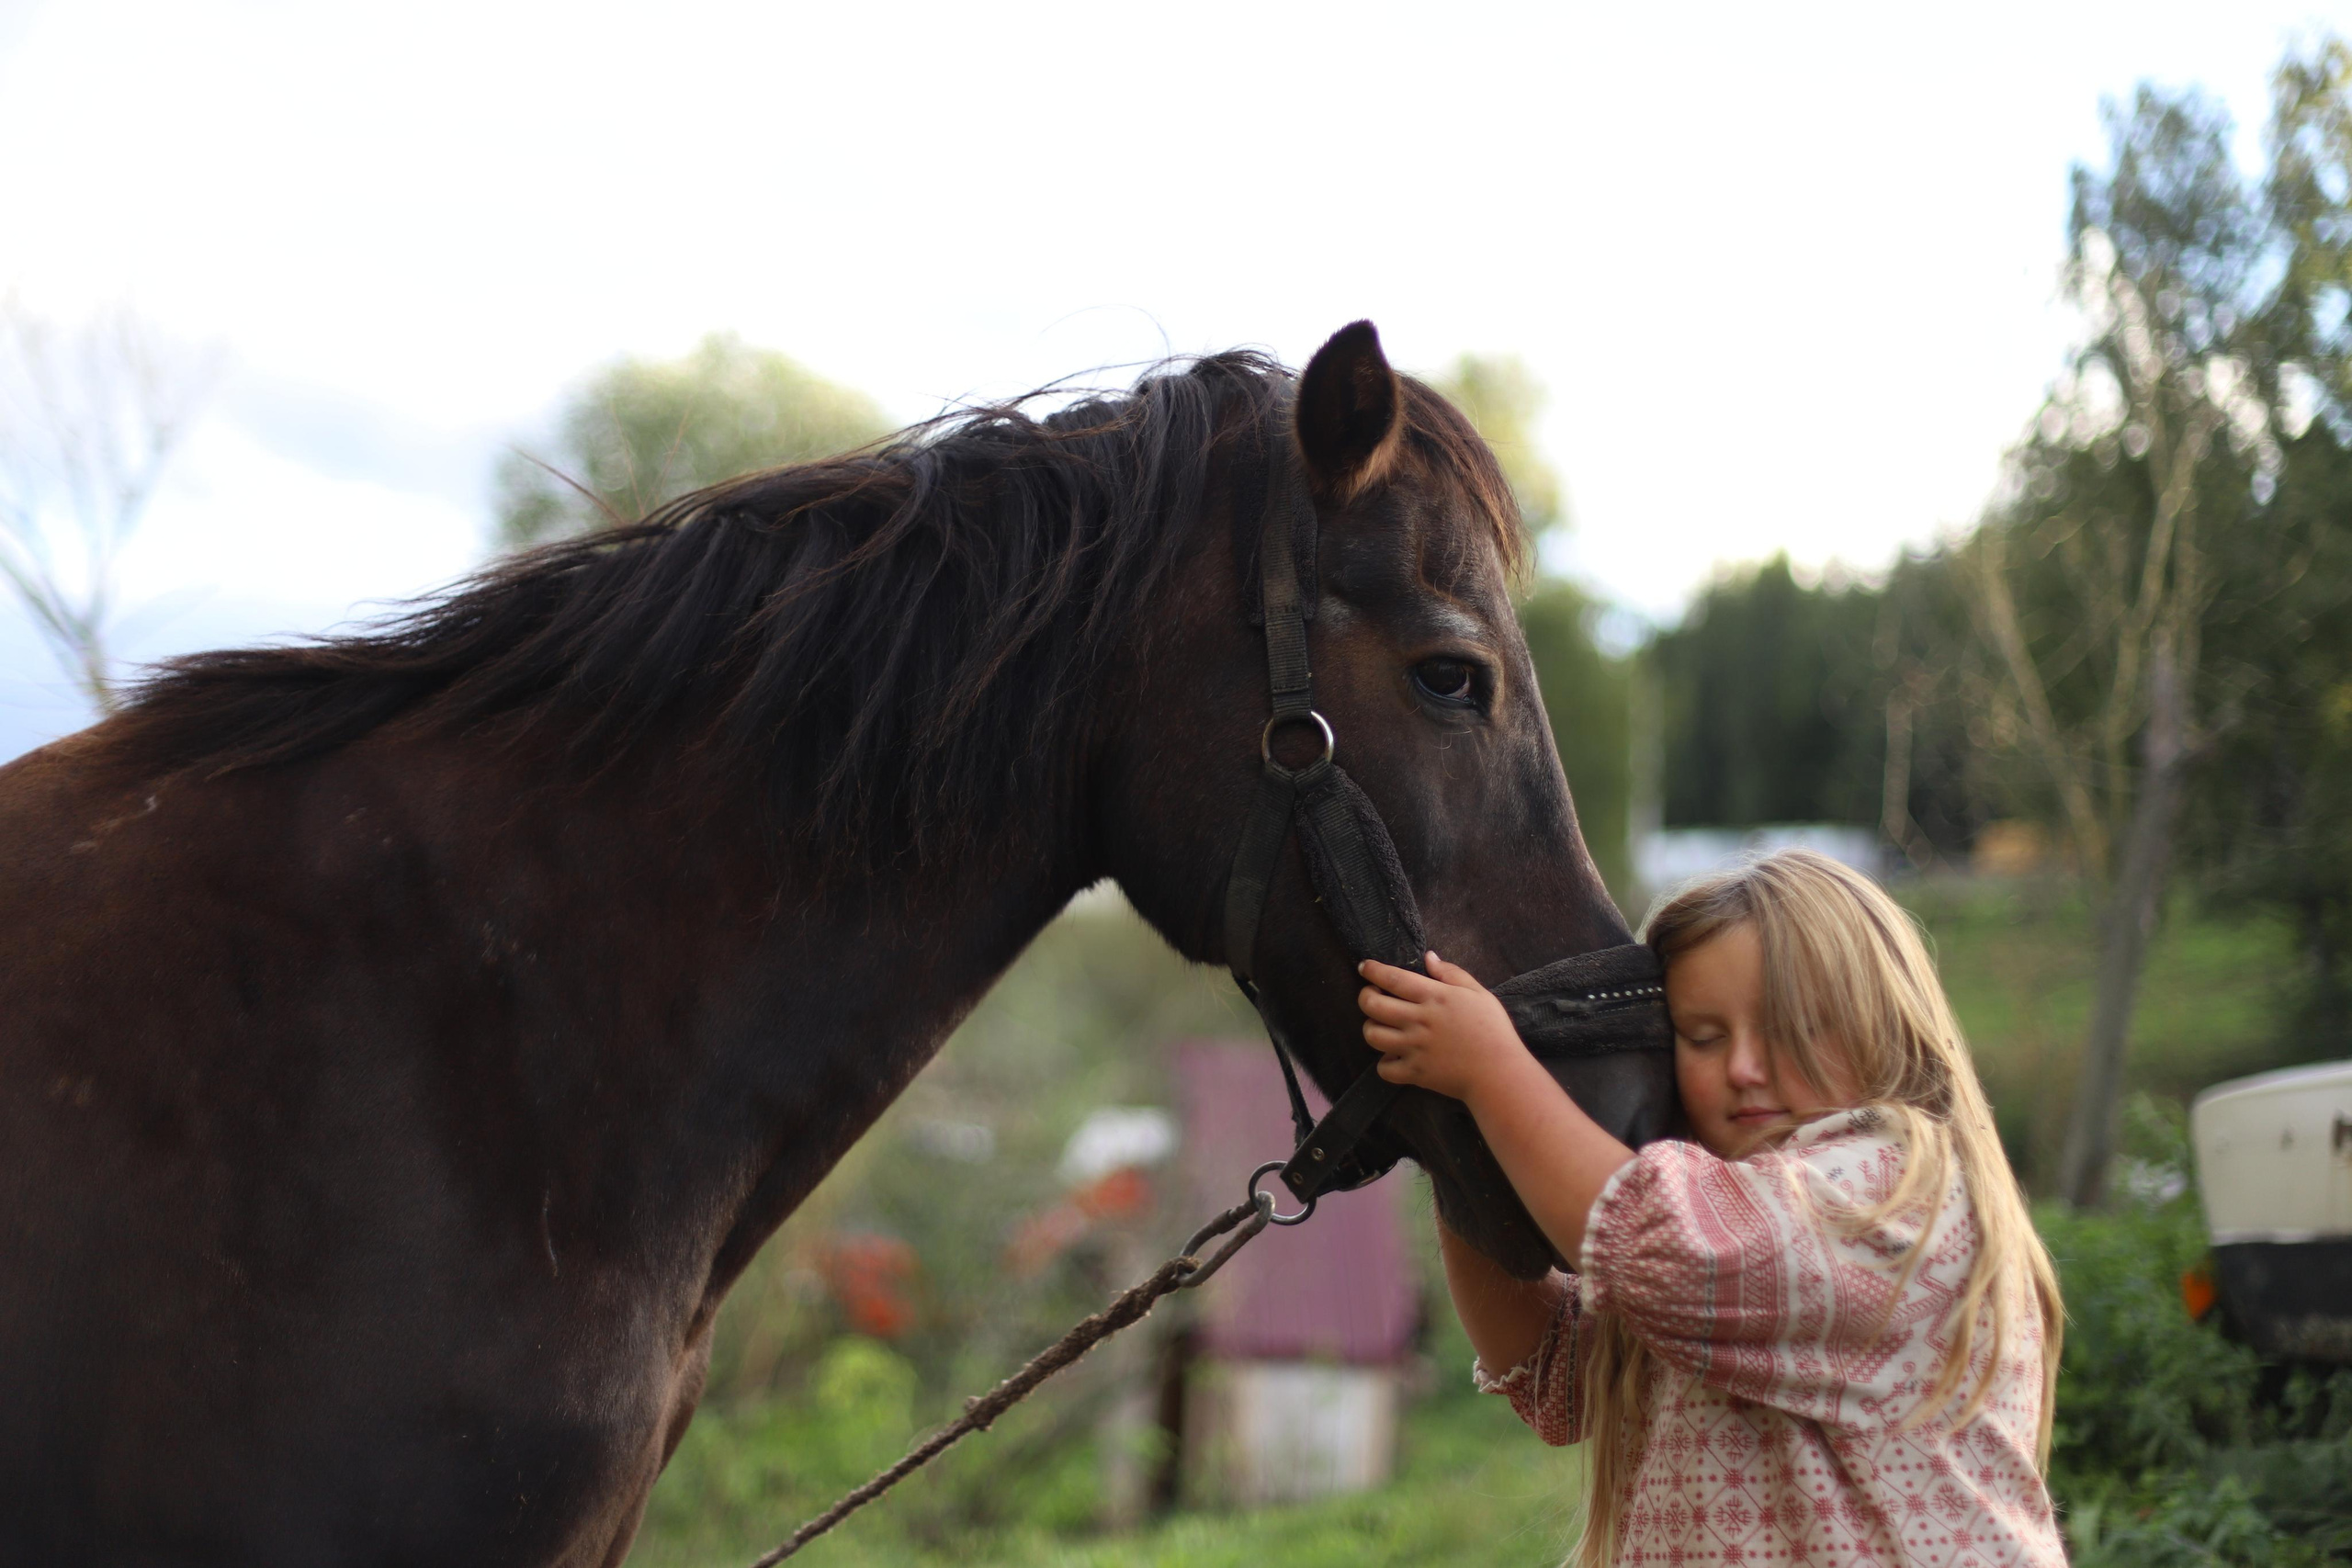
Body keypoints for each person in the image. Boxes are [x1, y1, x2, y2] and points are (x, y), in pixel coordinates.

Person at [1356, 849, 2065, 1567]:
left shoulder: (1897, 1191)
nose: (1744, 1068)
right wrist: (1454, 1142)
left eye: (1794, 1025)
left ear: (1882, 1024)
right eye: (1704, 1035)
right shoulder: (1724, 1225)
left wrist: (1491, 1069)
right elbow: (1555, 1372)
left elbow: (1669, 1248)